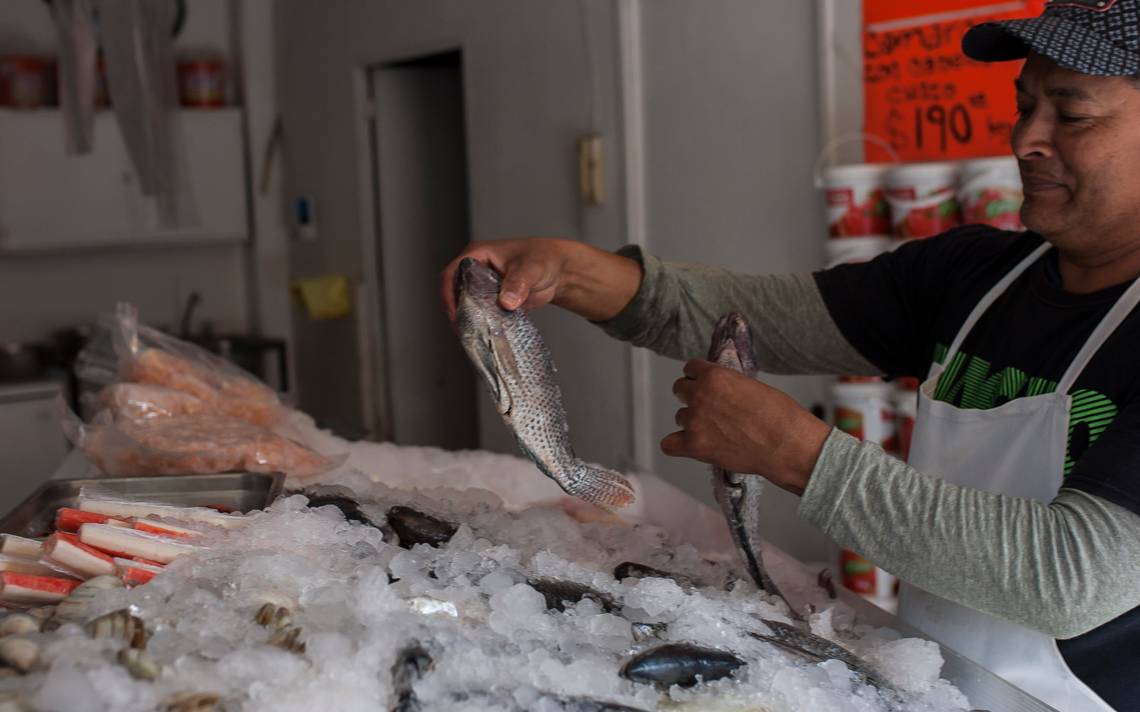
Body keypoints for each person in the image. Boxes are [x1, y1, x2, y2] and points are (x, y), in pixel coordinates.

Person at [441, 2, 1140, 709]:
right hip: (936, 688)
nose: (1027, 138)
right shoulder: (979, 275)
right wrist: (574, 270)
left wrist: (801, 455)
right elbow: (763, 317)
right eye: (1023, 105)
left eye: (1071, 115)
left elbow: (1068, 576)